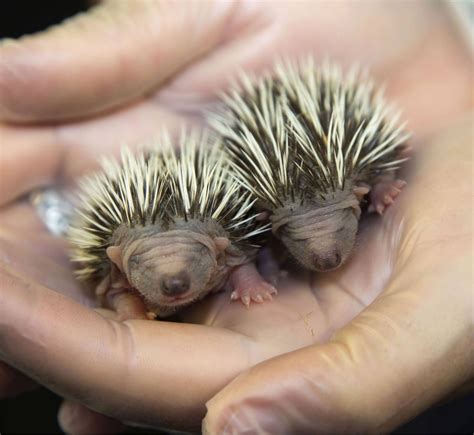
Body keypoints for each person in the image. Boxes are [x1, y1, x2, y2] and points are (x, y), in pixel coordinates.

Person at [0, 1, 472, 433]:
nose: (175, 288)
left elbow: (385, 148)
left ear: (361, 193)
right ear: (118, 258)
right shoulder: (228, 227)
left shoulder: (264, 216)